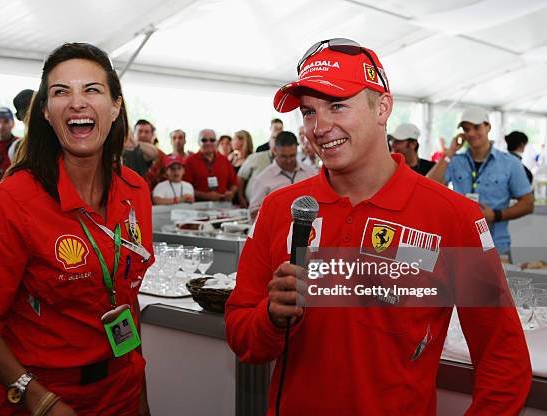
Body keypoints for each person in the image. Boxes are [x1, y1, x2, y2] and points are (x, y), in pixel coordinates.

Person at [225, 38, 531, 415]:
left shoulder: (452, 216)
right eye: (308, 112)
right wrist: (271, 317)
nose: (319, 127)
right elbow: (241, 334)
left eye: (338, 105)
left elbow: (504, 359)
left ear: (382, 107)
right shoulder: (280, 208)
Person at [0, 43, 154, 416]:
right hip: (40, 395)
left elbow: (124, 301)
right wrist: (40, 401)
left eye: (91, 90)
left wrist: (139, 391)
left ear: (115, 106)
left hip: (119, 390)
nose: (77, 102)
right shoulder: (13, 200)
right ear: (46, 113)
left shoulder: (135, 191)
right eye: (61, 92)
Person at [426, 107, 533, 256]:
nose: (471, 133)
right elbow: (428, 187)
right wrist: (450, 152)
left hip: (496, 247)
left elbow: (528, 204)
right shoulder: (455, 161)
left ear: (488, 127)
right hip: (461, 246)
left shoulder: (510, 163)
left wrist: (495, 215)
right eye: (466, 129)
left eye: (476, 127)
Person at [249, 131, 316, 215]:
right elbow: (252, 213)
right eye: (284, 156)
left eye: (292, 155)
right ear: (275, 151)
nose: (288, 160)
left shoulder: (310, 173)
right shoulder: (263, 179)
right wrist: (275, 208)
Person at [183, 129, 238, 202]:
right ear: (198, 142)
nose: (208, 143)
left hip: (223, 205)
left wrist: (231, 193)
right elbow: (184, 188)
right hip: (198, 206)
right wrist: (206, 196)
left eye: (212, 140)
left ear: (216, 142)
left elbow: (234, 183)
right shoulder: (189, 161)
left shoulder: (224, 160)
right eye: (204, 140)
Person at [237, 136, 275, 208]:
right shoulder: (257, 157)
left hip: (275, 207)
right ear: (269, 142)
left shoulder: (290, 162)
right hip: (253, 206)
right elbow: (241, 177)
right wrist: (241, 198)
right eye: (274, 138)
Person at [136, 119, 167, 189]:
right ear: (134, 133)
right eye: (140, 131)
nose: (143, 135)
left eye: (147, 132)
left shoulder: (161, 155)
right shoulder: (126, 153)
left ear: (153, 135)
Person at [8, 89, 35, 163]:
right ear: (18, 116)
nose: (31, 113)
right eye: (26, 109)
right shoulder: (16, 149)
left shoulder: (57, 139)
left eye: (34, 107)